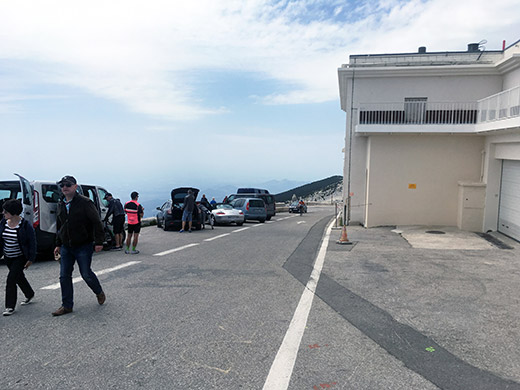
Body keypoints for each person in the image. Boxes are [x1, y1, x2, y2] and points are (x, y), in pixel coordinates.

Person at [53, 175, 106, 316]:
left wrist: (99, 241)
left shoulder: (85, 202)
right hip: (66, 246)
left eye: (68, 185)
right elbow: (60, 226)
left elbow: (96, 222)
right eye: (62, 185)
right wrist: (58, 244)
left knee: (86, 274)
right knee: (64, 276)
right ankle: (67, 306)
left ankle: (99, 292)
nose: (64, 187)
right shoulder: (61, 203)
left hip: (83, 245)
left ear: (75, 187)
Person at [1, 199, 36, 316]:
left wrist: (31, 259)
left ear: (13, 212)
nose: (3, 213)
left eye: (5, 211)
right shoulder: (3, 223)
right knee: (18, 277)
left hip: (20, 257)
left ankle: (9, 306)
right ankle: (29, 293)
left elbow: (32, 242)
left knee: (11, 279)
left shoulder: (25, 225)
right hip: (8, 256)